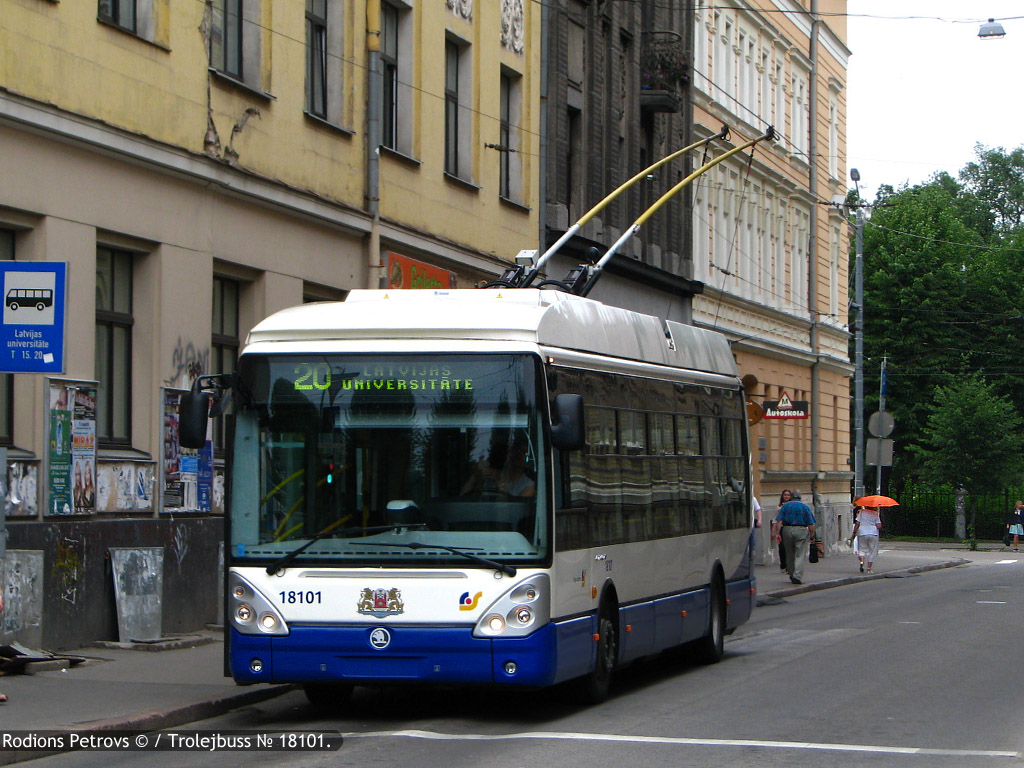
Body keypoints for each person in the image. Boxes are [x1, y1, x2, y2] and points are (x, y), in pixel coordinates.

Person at [460, 434, 536, 498]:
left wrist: (498, 481)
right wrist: (475, 476)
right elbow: (462, 499)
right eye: (517, 450)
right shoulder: (490, 474)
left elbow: (516, 510)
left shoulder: (528, 486)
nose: (519, 454)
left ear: (529, 461)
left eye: (525, 453)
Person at [771, 489, 816, 584]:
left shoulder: (785, 506)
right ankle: (797, 575)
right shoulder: (805, 507)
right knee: (800, 554)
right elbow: (810, 523)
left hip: (787, 530)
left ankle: (791, 573)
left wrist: (778, 533)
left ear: (792, 496)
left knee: (789, 553)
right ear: (800, 497)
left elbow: (779, 520)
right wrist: (812, 535)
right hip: (801, 530)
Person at [851, 505, 882, 572]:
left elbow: (857, 523)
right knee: (872, 551)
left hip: (862, 532)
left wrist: (854, 532)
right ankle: (869, 568)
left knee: (862, 549)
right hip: (873, 533)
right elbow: (879, 526)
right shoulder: (875, 514)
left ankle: (862, 562)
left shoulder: (861, 512)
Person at [776, 489, 794, 570]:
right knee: (782, 547)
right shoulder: (780, 507)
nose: (786, 496)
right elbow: (776, 519)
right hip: (781, 527)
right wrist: (776, 530)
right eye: (785, 495)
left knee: (789, 547)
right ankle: (783, 564)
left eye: (788, 495)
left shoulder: (793, 505)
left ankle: (789, 565)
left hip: (789, 527)